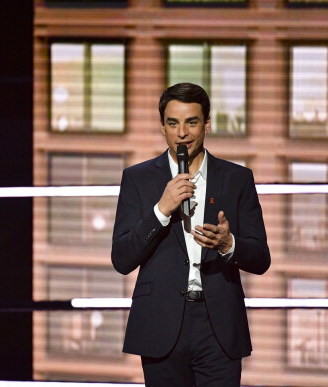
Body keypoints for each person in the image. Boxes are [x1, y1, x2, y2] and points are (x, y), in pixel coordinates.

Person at [111, 82, 271, 386]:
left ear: (207, 125)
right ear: (162, 127)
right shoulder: (138, 178)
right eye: (173, 123)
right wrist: (161, 210)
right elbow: (121, 258)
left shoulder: (237, 179)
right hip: (161, 323)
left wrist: (229, 244)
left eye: (191, 122)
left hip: (218, 325)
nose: (182, 132)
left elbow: (261, 258)